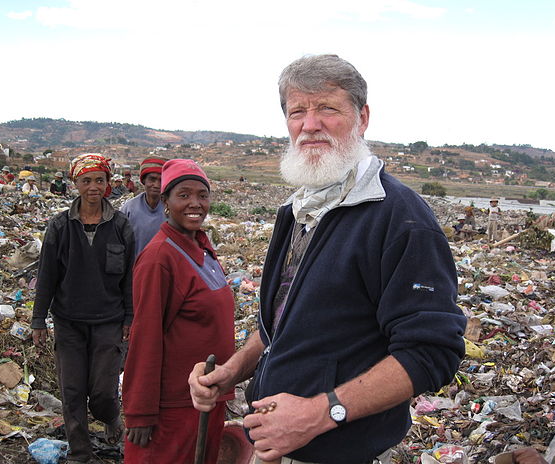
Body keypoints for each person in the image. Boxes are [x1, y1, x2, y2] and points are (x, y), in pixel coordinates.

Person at [189, 54, 466, 464]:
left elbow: (432, 353)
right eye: (297, 112)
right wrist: (233, 370)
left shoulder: (399, 219)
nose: (310, 124)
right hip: (274, 443)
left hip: (339, 452)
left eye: (327, 109)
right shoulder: (298, 209)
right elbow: (283, 322)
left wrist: (321, 413)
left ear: (362, 117)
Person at [123, 159, 235, 464]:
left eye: (202, 195)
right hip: (173, 407)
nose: (195, 203)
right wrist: (140, 411)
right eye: (183, 195)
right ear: (165, 202)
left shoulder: (201, 248)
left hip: (206, 400)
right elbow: (145, 336)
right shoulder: (160, 258)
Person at [32, 153, 134, 464]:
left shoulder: (120, 226)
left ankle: (111, 418)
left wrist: (130, 317)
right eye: (86, 180)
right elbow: (47, 275)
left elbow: (130, 277)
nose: (93, 186)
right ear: (75, 183)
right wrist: (39, 320)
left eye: (99, 180)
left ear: (108, 184)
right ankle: (81, 453)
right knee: (72, 391)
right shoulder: (60, 226)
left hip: (109, 321)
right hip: (68, 323)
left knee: (103, 391)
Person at [119, 157, 167, 257]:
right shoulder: (129, 209)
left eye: (161, 180)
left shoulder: (172, 209)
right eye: (152, 179)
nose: (156, 185)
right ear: (144, 180)